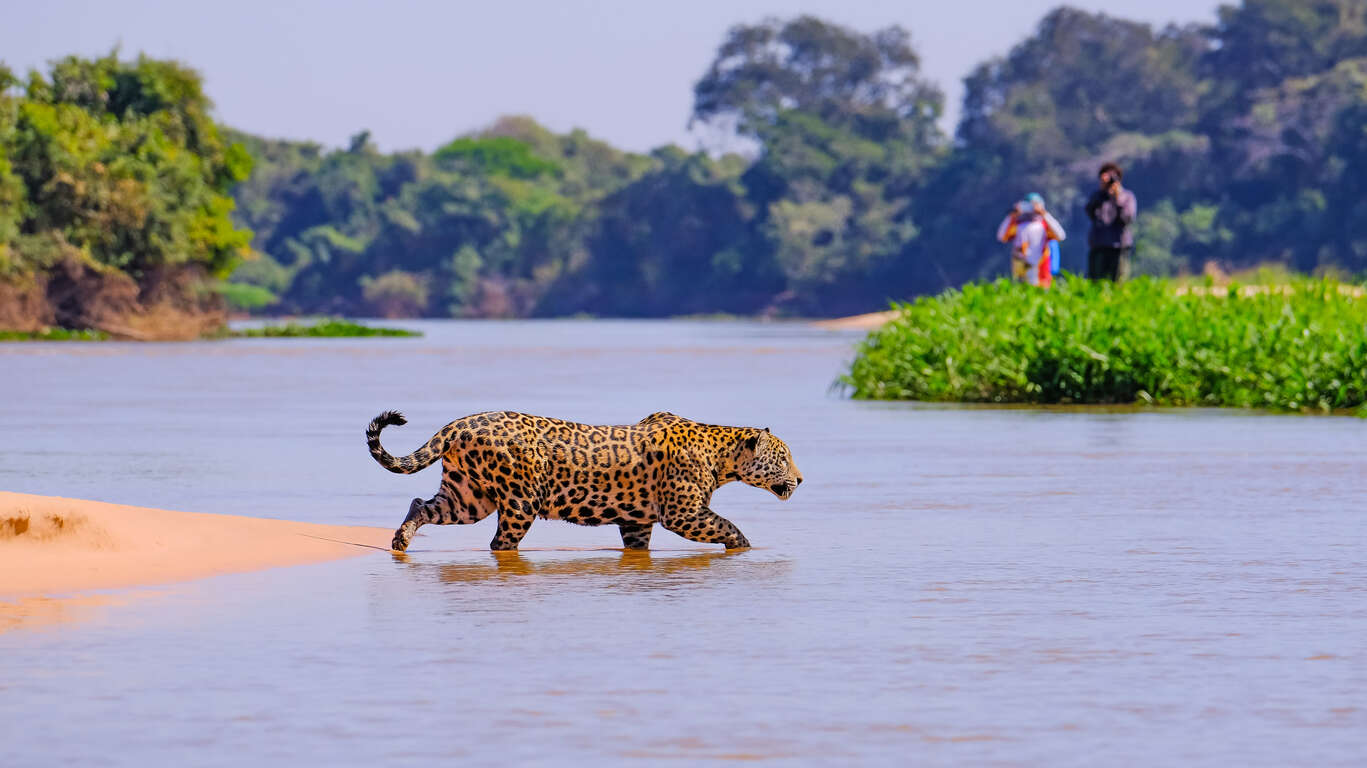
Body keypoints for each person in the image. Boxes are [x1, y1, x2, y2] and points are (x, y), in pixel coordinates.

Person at [996, 192, 1065, 288]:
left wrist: (1044, 214)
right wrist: (1012, 215)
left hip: (1040, 271)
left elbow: (1061, 235)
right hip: (1020, 270)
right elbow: (1001, 236)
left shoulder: (1045, 226)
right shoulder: (1017, 226)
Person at [1085, 162, 1138, 281]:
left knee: (1118, 281)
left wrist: (1117, 198)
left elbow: (1128, 218)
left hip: (1119, 246)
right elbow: (1090, 212)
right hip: (1098, 245)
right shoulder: (1097, 196)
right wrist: (1101, 193)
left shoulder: (1127, 196)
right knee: (1095, 282)